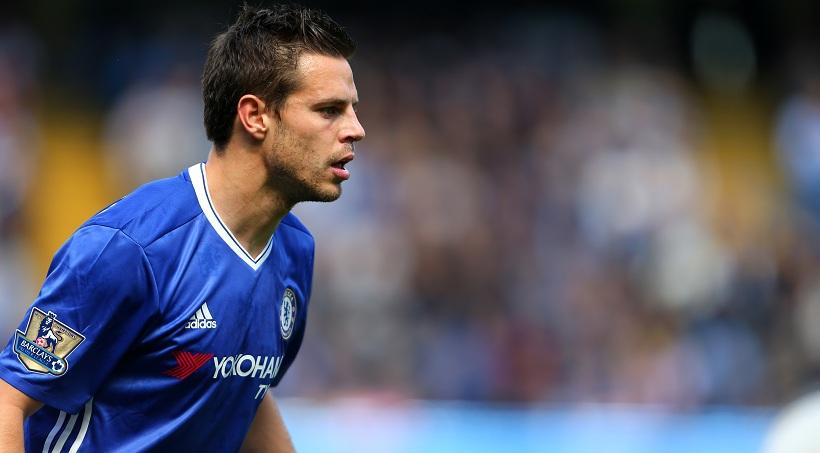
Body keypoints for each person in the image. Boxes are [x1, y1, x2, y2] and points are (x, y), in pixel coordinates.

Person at [0, 3, 365, 452]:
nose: (356, 129)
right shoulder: (131, 248)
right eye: (329, 110)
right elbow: (7, 400)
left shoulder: (294, 250)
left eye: (352, 109)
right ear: (255, 116)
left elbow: (240, 388)